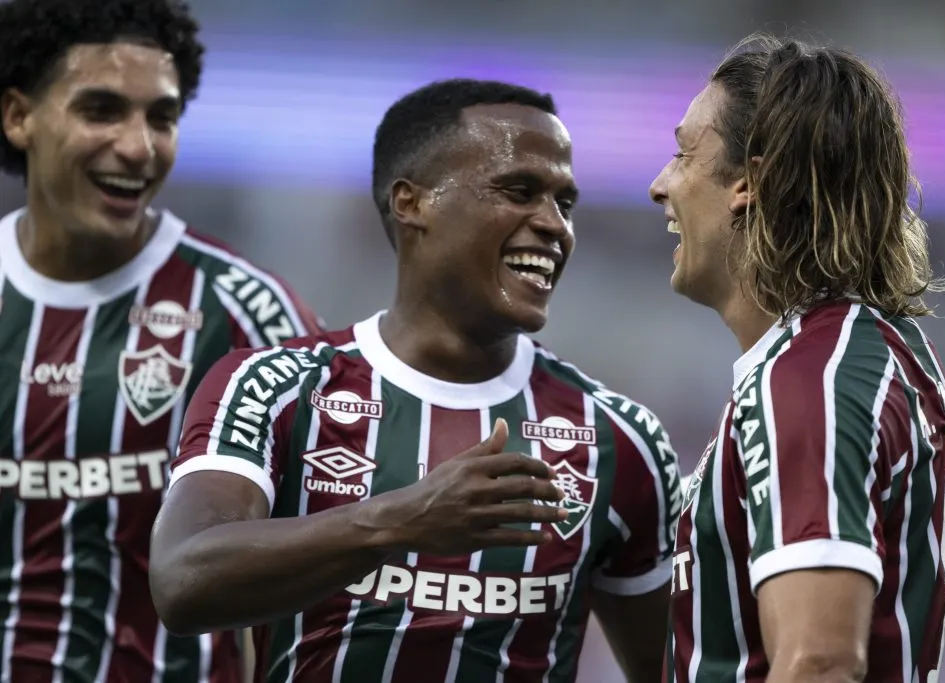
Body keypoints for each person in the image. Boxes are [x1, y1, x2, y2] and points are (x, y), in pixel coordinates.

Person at [149, 78, 684, 683]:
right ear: (412, 202)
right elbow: (182, 581)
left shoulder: (620, 438)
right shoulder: (273, 388)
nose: (554, 225)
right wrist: (401, 521)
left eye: (565, 203)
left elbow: (666, 669)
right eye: (519, 190)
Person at [0, 0, 322, 681]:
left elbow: (327, 553)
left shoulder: (248, 314)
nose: (139, 146)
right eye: (102, 110)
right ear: (18, 116)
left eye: (162, 117)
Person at [649, 34, 945, 682]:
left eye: (683, 155)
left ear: (749, 182)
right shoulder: (863, 356)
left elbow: (818, 662)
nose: (660, 185)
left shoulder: (813, 380)